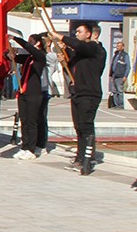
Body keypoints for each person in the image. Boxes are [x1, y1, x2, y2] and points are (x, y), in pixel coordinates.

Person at [61, 21, 106, 175]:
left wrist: (61, 37)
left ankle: (88, 159)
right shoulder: (83, 53)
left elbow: (80, 46)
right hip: (78, 92)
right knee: (79, 127)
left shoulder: (96, 48)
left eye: (79, 31)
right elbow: (72, 60)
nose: (77, 34)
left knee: (86, 126)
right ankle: (80, 157)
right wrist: (64, 56)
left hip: (90, 93)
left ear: (90, 34)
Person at [12, 32, 50, 160]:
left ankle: (32, 148)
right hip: (24, 92)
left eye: (31, 41)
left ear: (38, 43)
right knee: (25, 120)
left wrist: (16, 39)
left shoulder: (40, 57)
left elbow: (30, 48)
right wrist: (8, 53)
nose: (29, 43)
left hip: (34, 93)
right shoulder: (28, 58)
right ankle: (25, 145)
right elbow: (14, 58)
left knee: (32, 121)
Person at [108, 39, 130, 109]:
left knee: (119, 90)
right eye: (117, 46)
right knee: (114, 91)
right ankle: (115, 104)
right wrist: (111, 75)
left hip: (120, 76)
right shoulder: (116, 55)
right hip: (114, 75)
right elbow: (113, 65)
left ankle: (120, 105)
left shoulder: (125, 55)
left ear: (123, 47)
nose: (118, 47)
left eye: (119, 46)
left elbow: (128, 66)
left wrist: (125, 76)